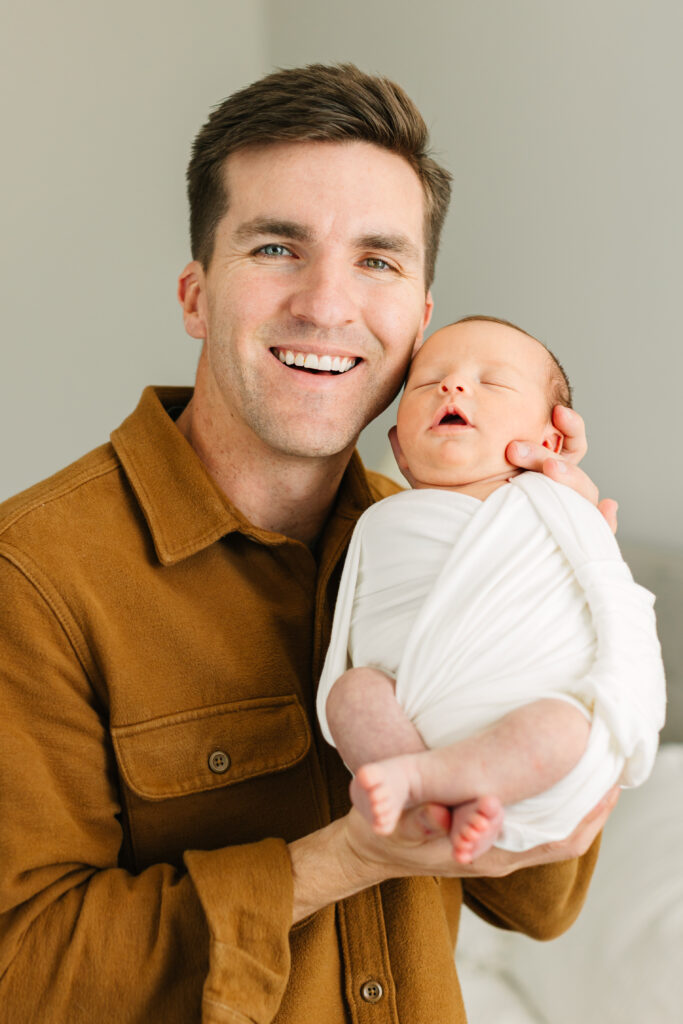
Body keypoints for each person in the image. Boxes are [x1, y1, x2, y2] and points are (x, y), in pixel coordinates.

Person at [0, 64, 619, 1023]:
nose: (328, 305)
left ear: (419, 323)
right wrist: (345, 859)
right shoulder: (33, 575)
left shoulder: (456, 544)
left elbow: (535, 900)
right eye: (278, 247)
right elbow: (24, 969)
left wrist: (548, 545)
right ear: (196, 295)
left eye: (377, 259)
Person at [317, 317, 665, 864]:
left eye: (493, 383)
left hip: (519, 720)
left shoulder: (563, 509)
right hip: (409, 710)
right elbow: (356, 634)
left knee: (565, 727)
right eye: (428, 382)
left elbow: (610, 601)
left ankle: (426, 780)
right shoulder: (376, 517)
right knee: (350, 694)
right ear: (398, 444)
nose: (452, 387)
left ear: (549, 440)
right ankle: (424, 798)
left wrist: (578, 524)